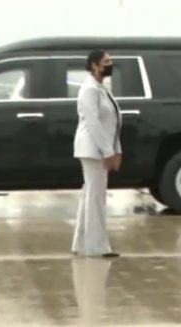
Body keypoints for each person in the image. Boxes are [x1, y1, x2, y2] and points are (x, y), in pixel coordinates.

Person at [72, 50, 122, 258]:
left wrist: (116, 149)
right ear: (94, 65)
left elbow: (113, 122)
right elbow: (93, 123)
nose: (110, 64)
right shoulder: (89, 89)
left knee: (90, 197)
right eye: (106, 62)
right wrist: (108, 152)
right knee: (96, 198)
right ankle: (97, 247)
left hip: (100, 148)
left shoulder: (101, 88)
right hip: (93, 149)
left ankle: (82, 243)